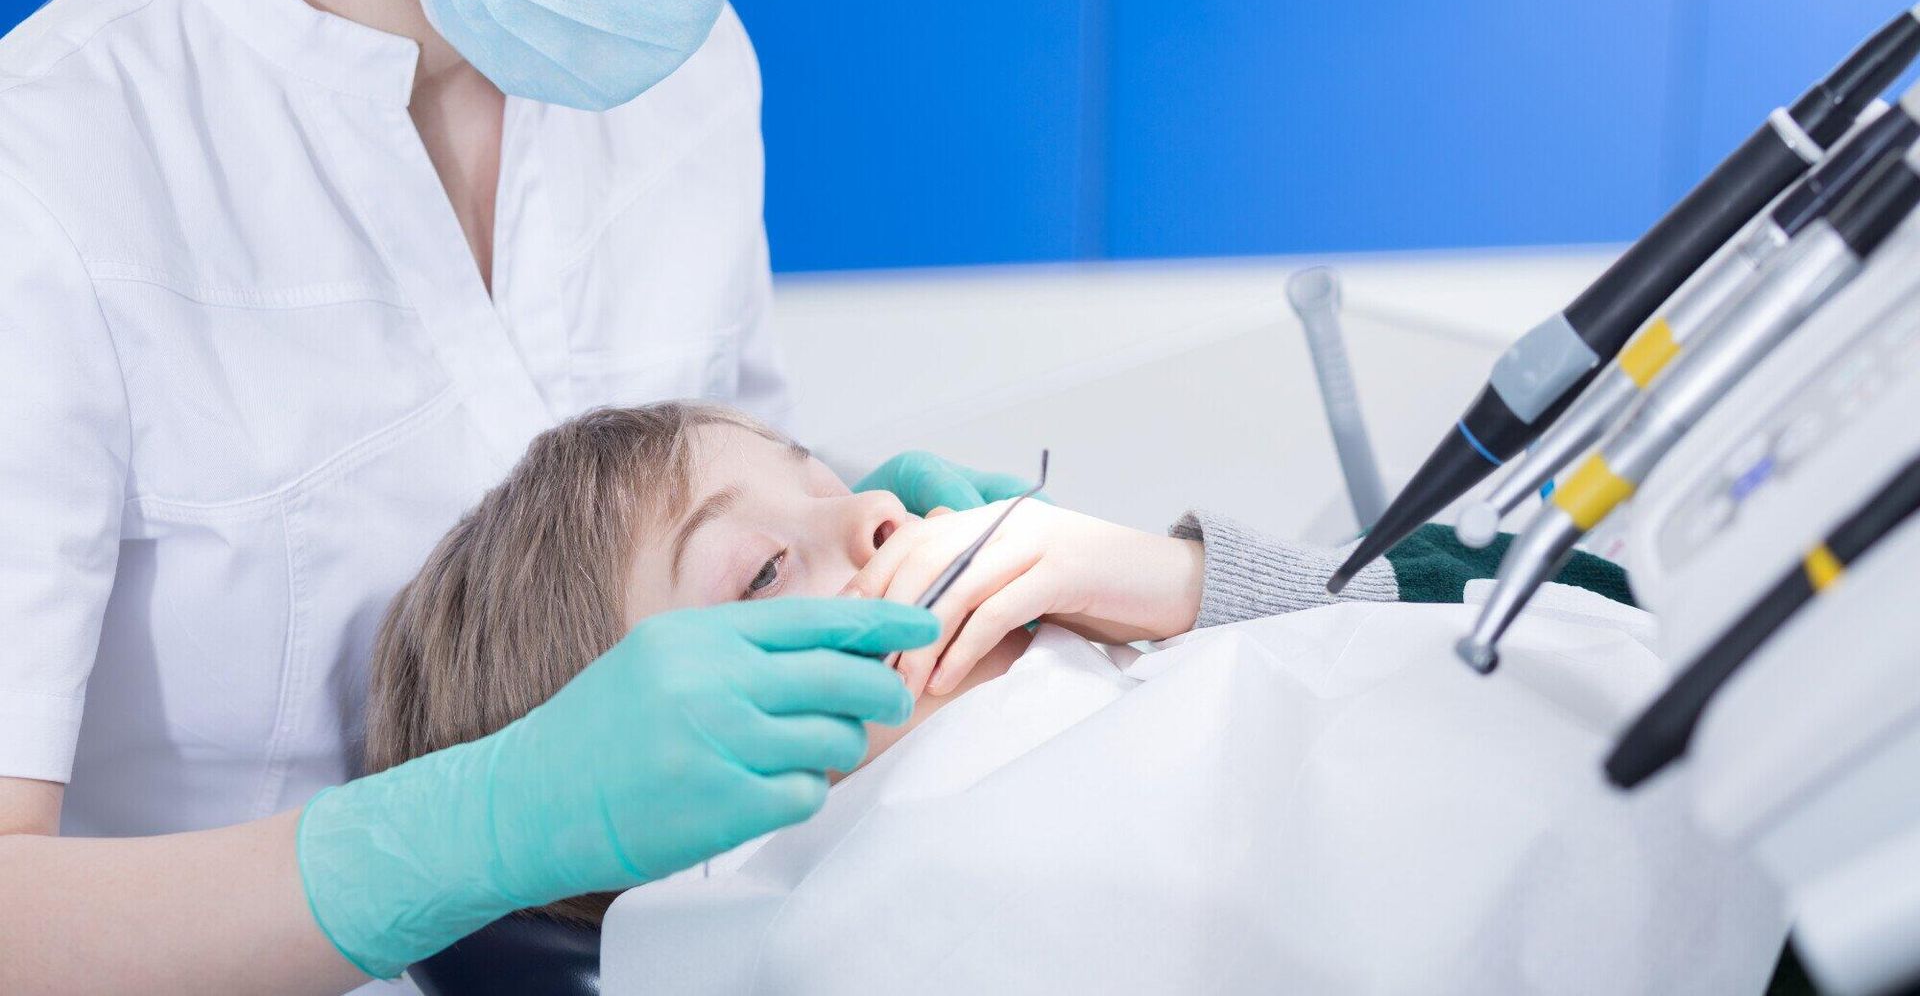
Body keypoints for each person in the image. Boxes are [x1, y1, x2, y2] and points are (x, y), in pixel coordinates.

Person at [0, 0, 1029, 990]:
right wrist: (469, 829)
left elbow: (683, 513)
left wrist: (847, 525)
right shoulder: (48, 182)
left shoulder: (689, 75)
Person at [362, 399, 1641, 933]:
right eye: (759, 569)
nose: (875, 513)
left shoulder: (1122, 667)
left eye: (829, 477)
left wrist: (1193, 586)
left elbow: (1602, 609)